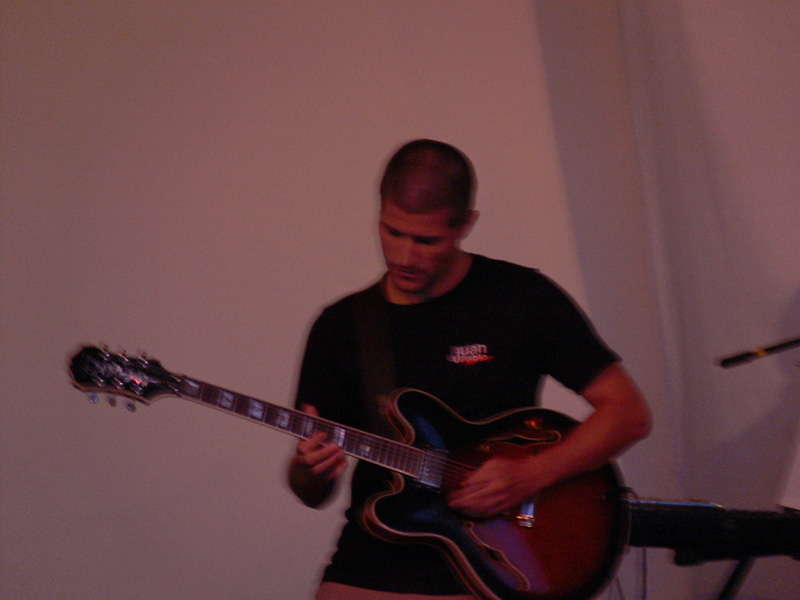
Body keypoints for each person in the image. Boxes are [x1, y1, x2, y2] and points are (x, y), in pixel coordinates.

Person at [287, 139, 651, 599]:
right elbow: (311, 492)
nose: (404, 257)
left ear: (465, 225)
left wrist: (531, 474)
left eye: (427, 241)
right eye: (392, 232)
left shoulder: (521, 297)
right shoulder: (341, 327)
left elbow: (627, 413)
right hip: (372, 564)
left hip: (495, 563)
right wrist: (311, 470)